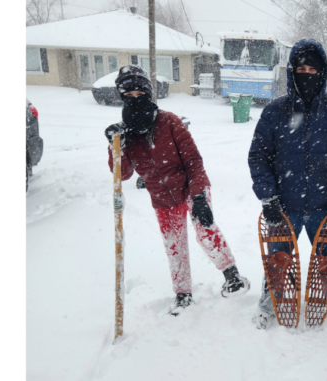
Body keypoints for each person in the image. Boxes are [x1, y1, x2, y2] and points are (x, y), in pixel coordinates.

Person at [105, 65, 250, 315]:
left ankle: (232, 275)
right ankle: (183, 293)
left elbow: (193, 160)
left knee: (205, 229)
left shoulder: (169, 121)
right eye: (128, 96)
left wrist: (198, 197)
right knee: (174, 244)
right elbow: (124, 173)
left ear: (148, 95)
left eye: (140, 94)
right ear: (122, 97)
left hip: (191, 187)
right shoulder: (125, 133)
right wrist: (114, 146)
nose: (135, 100)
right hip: (161, 197)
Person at [248, 39, 327, 329]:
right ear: (291, 72)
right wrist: (269, 199)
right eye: (301, 68)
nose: (307, 73)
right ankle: (270, 303)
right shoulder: (275, 111)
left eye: (313, 68)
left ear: (322, 72)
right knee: (278, 260)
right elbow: (258, 157)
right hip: (284, 207)